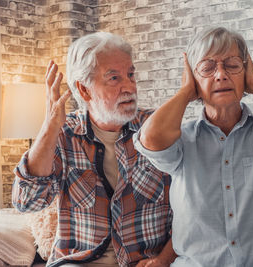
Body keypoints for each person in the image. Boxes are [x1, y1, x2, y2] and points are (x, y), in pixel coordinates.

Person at [134, 27, 253, 266]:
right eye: (207, 67)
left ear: (246, 71)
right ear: (193, 79)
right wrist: (185, 91)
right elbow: (151, 138)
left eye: (232, 65)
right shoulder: (183, 141)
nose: (220, 74)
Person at [12, 32, 175, 267]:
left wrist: (163, 260)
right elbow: (26, 202)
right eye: (114, 78)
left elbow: (190, 210)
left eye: (130, 74)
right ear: (84, 90)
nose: (129, 86)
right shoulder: (64, 133)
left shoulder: (156, 129)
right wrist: (49, 128)